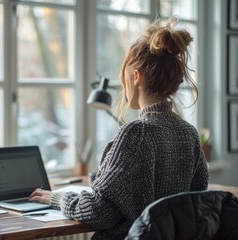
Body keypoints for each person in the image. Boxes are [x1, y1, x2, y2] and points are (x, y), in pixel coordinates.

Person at [29, 18, 209, 239]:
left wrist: (54, 198)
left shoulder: (137, 133)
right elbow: (197, 200)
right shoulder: (189, 134)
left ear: (136, 76)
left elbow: (99, 212)